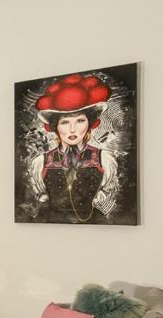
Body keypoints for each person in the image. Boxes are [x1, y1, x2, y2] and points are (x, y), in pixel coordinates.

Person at [28, 73, 118, 223]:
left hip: (93, 224)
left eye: (80, 121)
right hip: (49, 225)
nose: (72, 129)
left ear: (89, 124)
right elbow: (41, 195)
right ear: (55, 127)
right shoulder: (41, 161)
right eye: (64, 122)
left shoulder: (104, 159)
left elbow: (106, 191)